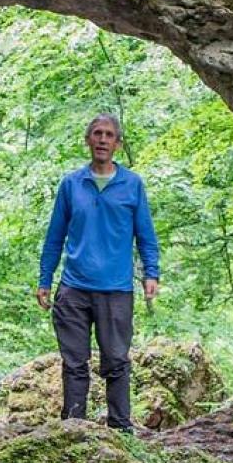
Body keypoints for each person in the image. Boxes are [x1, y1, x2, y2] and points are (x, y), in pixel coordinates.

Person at [37, 113, 160, 432]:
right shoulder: (71, 185)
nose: (103, 139)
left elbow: (145, 234)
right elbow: (55, 236)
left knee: (117, 361)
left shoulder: (132, 185)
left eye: (109, 135)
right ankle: (74, 428)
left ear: (117, 143)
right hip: (74, 288)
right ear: (88, 140)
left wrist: (151, 274)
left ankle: (121, 430)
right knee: (74, 363)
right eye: (97, 133)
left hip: (116, 289)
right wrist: (44, 280)